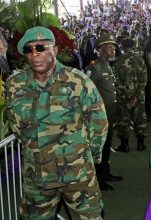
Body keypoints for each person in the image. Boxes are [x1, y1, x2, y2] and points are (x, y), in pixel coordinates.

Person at [6, 26, 108, 219]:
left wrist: (88, 158)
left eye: (41, 47)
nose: (35, 54)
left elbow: (98, 124)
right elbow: (17, 127)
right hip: (36, 175)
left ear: (55, 50)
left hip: (77, 173)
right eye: (29, 49)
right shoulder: (15, 85)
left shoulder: (78, 81)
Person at [87, 33, 123, 191]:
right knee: (100, 147)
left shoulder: (108, 65)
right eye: (109, 48)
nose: (113, 50)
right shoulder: (95, 67)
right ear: (100, 50)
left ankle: (106, 173)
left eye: (114, 47)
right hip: (100, 115)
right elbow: (88, 92)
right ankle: (99, 180)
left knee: (107, 144)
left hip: (110, 112)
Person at [114, 38, 147, 152]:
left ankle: (125, 145)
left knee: (123, 120)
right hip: (139, 95)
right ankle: (141, 144)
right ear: (133, 46)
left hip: (124, 96)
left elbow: (116, 80)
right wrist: (136, 94)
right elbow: (144, 80)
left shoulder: (118, 61)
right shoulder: (140, 60)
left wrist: (127, 92)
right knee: (140, 119)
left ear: (122, 47)